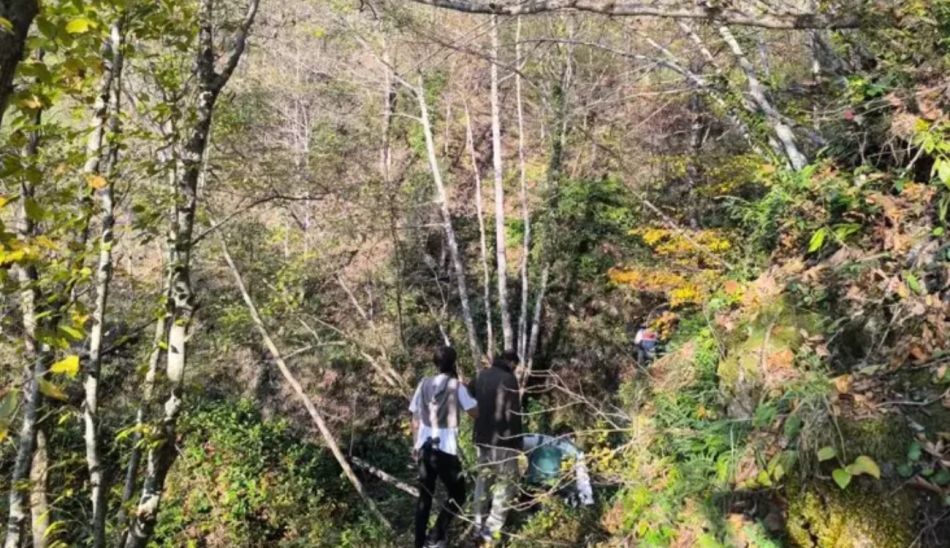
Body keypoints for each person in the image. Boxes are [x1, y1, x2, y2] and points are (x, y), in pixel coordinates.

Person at [409, 345, 478, 548]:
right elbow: (475, 413)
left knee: (424, 499)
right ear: (454, 363)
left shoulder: (423, 383)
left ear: (435, 363)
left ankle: (419, 543)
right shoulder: (456, 387)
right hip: (445, 450)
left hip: (424, 448)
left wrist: (415, 445)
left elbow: (415, 419)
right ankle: (435, 535)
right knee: (458, 494)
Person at [471, 350, 523, 545]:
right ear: (511, 363)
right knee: (506, 482)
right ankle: (491, 531)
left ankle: (477, 525)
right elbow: (513, 413)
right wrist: (517, 442)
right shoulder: (509, 379)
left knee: (483, 481)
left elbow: (468, 396)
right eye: (515, 366)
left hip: (481, 438)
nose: (515, 370)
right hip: (503, 440)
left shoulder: (481, 376)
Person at [521, 429, 594, 507]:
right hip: (545, 487)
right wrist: (587, 497)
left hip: (537, 486)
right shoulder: (573, 451)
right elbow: (583, 477)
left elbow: (582, 476)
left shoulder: (541, 440)